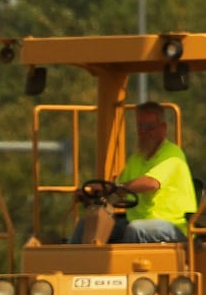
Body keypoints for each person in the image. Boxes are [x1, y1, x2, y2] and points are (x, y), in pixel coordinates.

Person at [75, 101, 197, 243]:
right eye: (140, 126)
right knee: (87, 224)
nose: (143, 132)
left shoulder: (173, 155)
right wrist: (94, 196)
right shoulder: (136, 159)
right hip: (138, 222)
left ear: (163, 129)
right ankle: (68, 263)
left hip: (173, 225)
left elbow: (151, 183)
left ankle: (118, 265)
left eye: (149, 127)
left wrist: (113, 187)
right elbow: (119, 191)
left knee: (135, 230)